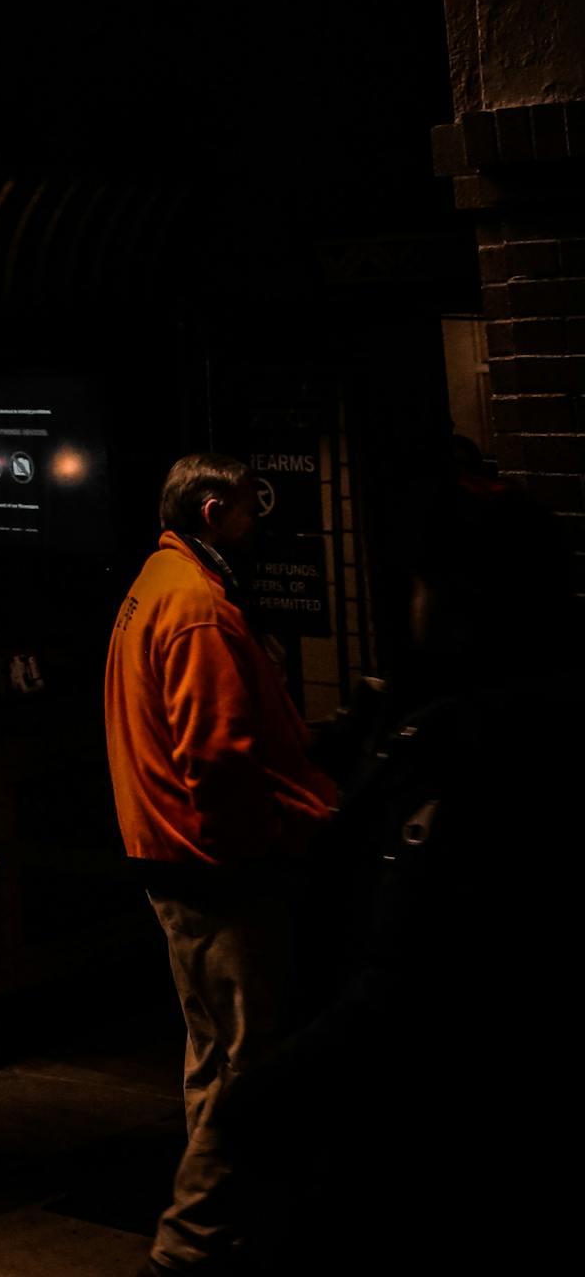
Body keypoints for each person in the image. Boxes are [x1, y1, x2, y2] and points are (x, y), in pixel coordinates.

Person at [219, 483, 581, 1268]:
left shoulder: (469, 745)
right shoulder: (495, 721)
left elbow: (405, 965)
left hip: (415, 1132)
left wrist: (269, 1095)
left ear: (459, 598)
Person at [102, 451, 336, 1273]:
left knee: (212, 1059)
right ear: (210, 513)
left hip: (169, 856)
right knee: (252, 1065)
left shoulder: (151, 588)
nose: (257, 522)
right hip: (217, 868)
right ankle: (193, 1245)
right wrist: (267, 847)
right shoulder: (197, 605)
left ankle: (234, 1228)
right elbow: (220, 757)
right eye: (245, 509)